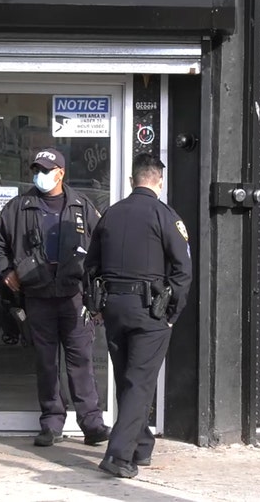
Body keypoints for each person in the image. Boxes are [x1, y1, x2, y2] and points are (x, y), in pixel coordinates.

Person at [0, 147, 111, 447]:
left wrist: (96, 289)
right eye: (37, 170)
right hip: (37, 295)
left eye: (46, 170)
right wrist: (6, 271)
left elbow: (101, 246)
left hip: (73, 295)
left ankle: (92, 423)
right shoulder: (19, 207)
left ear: (60, 173)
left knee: (80, 361)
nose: (40, 175)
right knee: (45, 362)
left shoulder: (82, 205)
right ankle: (51, 422)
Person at [85, 153, 193, 478]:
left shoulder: (110, 215)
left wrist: (96, 307)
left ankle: (140, 447)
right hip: (150, 312)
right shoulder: (165, 216)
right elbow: (182, 271)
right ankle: (118, 456)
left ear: (132, 181)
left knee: (128, 380)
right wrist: (172, 314)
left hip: (114, 308)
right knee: (140, 382)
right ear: (159, 181)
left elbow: (90, 266)